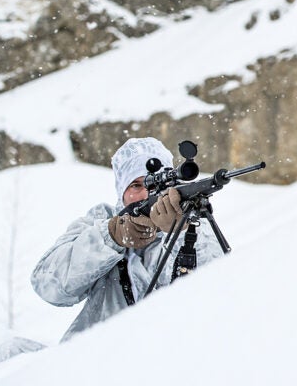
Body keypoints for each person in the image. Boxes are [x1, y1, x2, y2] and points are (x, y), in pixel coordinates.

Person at [31, 137, 224, 341]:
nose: (145, 194)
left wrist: (180, 232)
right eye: (135, 185)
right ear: (121, 190)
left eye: (154, 184)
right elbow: (49, 286)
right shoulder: (101, 220)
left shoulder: (193, 230)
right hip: (92, 358)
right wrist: (112, 237)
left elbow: (219, 298)